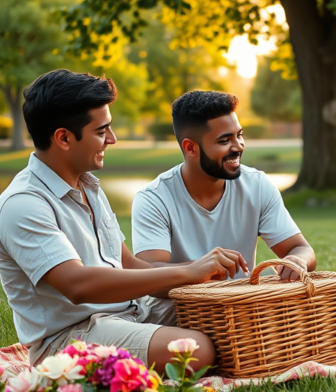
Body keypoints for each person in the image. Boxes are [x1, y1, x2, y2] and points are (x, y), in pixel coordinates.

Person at [0, 70, 244, 372]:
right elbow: (77, 285)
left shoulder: (88, 187)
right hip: (69, 340)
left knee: (227, 314)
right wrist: (188, 271)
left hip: (130, 314)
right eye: (101, 131)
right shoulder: (23, 204)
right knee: (197, 351)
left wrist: (203, 275)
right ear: (63, 138)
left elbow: (130, 265)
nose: (112, 139)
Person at [132, 90, 316, 323]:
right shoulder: (154, 198)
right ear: (190, 148)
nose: (238, 146)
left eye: (239, 135)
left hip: (240, 311)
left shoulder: (256, 185)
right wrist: (201, 268)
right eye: (224, 140)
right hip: (178, 312)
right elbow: (150, 279)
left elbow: (301, 248)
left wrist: (297, 261)